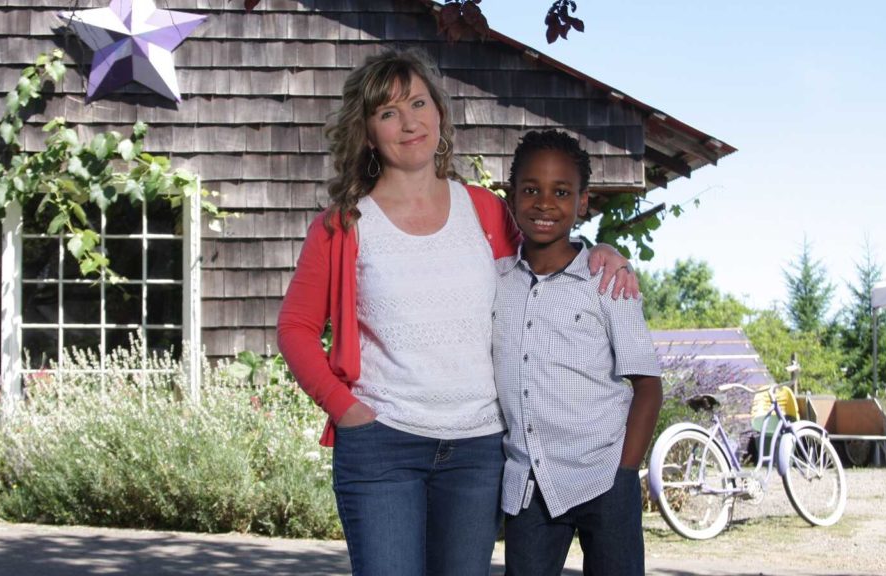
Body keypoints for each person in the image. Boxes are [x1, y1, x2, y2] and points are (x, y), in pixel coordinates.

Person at [276, 50, 639, 576]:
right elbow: (296, 329)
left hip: (477, 450)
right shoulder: (345, 225)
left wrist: (599, 251)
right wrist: (347, 410)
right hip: (383, 445)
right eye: (388, 113)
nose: (409, 123)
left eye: (419, 103)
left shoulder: (484, 210)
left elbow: (542, 263)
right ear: (368, 132)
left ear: (440, 114)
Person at [493, 129, 663, 576]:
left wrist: (626, 475)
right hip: (529, 484)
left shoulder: (607, 282)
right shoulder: (496, 283)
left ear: (582, 203)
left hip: (605, 477)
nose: (544, 203)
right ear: (511, 197)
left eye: (561, 192)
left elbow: (647, 386)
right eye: (530, 190)